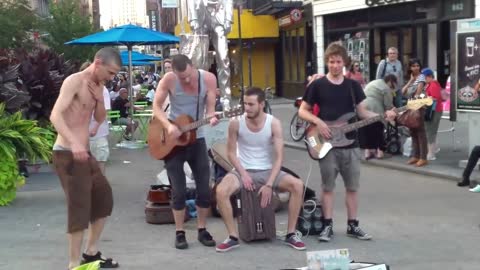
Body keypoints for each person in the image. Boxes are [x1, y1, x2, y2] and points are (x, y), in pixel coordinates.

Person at [298, 43, 396, 242]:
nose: (335, 65)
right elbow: (302, 110)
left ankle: (353, 225)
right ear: (327, 62)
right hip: (326, 144)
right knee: (328, 188)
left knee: (352, 187)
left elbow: (361, 112)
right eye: (331, 62)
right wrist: (319, 122)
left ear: (344, 63)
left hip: (351, 145)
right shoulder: (317, 85)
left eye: (338, 62)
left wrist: (383, 115)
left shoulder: (353, 86)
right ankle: (327, 226)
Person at [50, 47, 121, 270]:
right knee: (79, 208)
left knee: (104, 197)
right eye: (110, 73)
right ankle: (73, 264)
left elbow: (99, 118)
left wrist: (100, 99)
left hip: (84, 153)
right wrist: (74, 143)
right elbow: (55, 115)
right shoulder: (74, 81)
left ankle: (90, 253)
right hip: (67, 152)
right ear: (97, 63)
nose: (112, 78)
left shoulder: (100, 87)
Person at [214, 87, 306, 252]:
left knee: (298, 185)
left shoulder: (274, 123)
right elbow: (230, 153)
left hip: (267, 170)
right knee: (221, 191)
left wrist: (270, 184)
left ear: (262, 104)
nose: (246, 108)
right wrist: (243, 174)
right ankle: (233, 236)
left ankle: (291, 234)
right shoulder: (236, 123)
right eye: (244, 104)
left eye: (251, 104)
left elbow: (279, 158)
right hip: (243, 170)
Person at [152, 54, 218, 249]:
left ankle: (202, 229)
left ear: (193, 66)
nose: (186, 80)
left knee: (204, 188)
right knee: (179, 191)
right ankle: (180, 232)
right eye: (182, 78)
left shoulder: (208, 79)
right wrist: (167, 125)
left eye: (188, 75)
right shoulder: (169, 79)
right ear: (174, 73)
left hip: (197, 138)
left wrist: (212, 116)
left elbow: (211, 107)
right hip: (172, 139)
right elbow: (156, 106)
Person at [187, 0, 233, 98]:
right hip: (201, 15)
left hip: (219, 15)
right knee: (199, 60)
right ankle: (200, 96)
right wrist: (193, 18)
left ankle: (226, 98)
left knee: (223, 58)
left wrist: (228, 19)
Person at [78, 61, 112, 175]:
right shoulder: (78, 90)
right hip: (82, 133)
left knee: (99, 160)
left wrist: (96, 127)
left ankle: (100, 186)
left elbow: (106, 111)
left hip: (98, 133)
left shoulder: (103, 90)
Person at [359, 74, 397, 159]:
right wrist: (393, 110)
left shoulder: (374, 82)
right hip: (375, 107)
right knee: (378, 129)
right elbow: (388, 105)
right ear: (390, 81)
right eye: (393, 84)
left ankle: (367, 152)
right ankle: (380, 152)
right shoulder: (386, 88)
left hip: (363, 106)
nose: (393, 87)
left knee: (367, 129)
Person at [401, 58, 428, 167]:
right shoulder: (411, 78)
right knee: (413, 131)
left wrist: (413, 104)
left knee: (420, 132)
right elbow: (403, 92)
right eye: (413, 66)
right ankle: (415, 156)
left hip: (419, 106)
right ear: (410, 67)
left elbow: (418, 93)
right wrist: (411, 81)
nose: (416, 68)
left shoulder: (422, 77)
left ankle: (423, 157)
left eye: (417, 65)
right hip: (411, 105)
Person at [422, 68, 443, 161]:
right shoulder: (431, 84)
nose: (423, 79)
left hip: (433, 111)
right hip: (434, 110)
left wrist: (423, 100)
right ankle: (432, 151)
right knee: (431, 131)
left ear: (429, 76)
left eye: (424, 77)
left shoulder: (433, 85)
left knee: (430, 131)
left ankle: (431, 153)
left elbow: (435, 98)